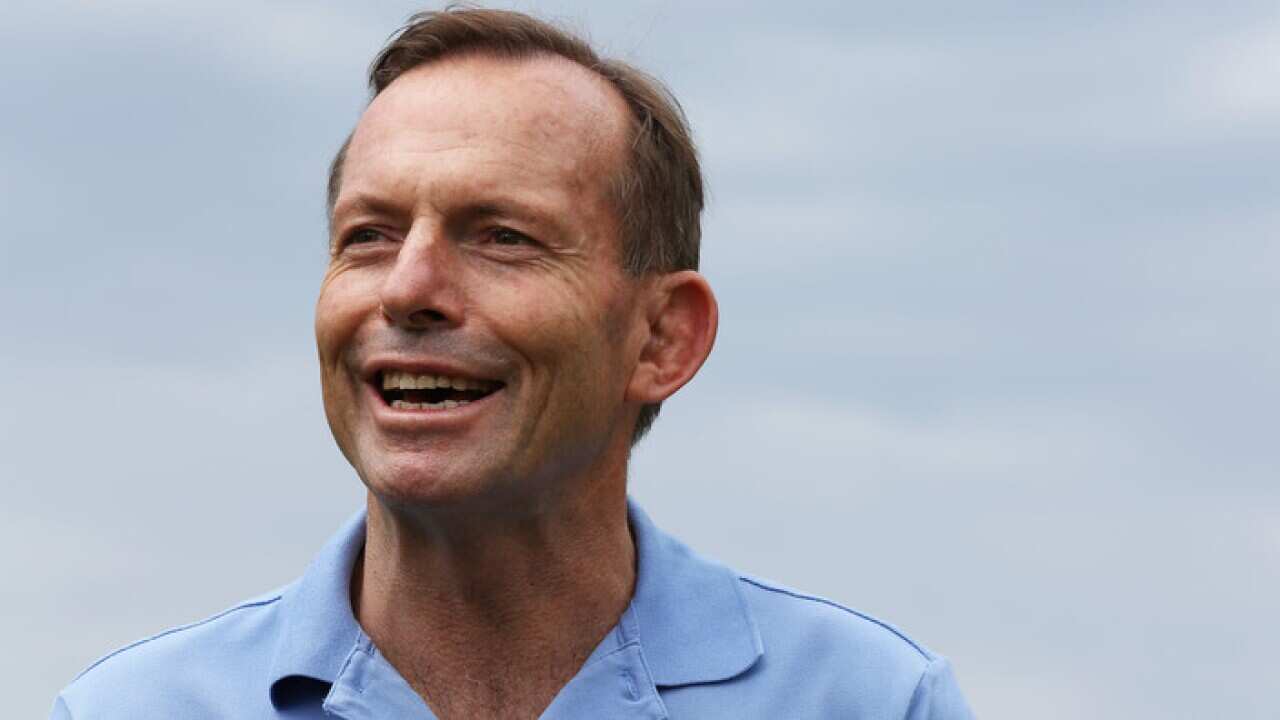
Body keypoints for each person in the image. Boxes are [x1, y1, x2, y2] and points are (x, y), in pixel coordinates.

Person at [51, 8, 974, 719]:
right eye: (367, 236)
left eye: (501, 238)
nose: (408, 289)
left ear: (663, 338)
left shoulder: (871, 702)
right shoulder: (128, 709)